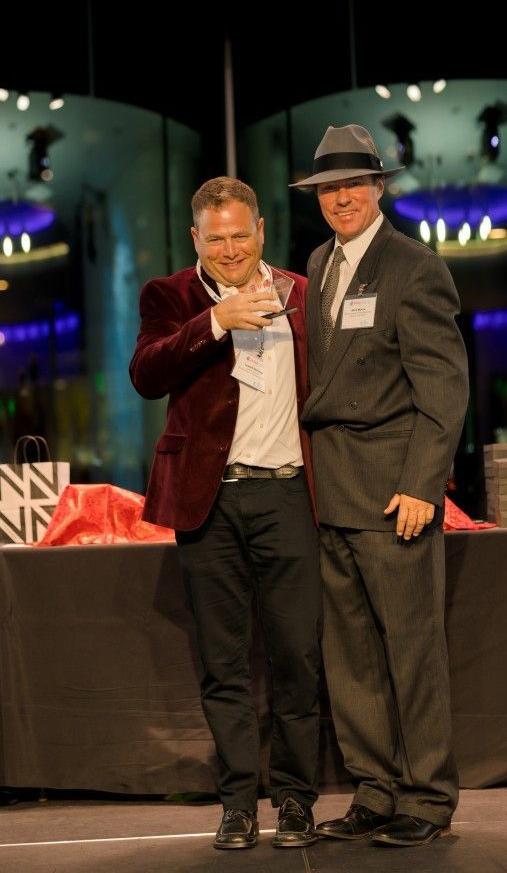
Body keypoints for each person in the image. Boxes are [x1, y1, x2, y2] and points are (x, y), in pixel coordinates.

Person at [129, 176, 321, 850]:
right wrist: (216, 322)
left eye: (241, 235)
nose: (231, 249)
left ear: (261, 230)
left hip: (290, 494)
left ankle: (295, 799)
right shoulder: (170, 296)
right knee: (223, 662)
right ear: (196, 238)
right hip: (208, 500)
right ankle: (238, 803)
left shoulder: (303, 292)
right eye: (217, 239)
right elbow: (147, 374)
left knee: (298, 656)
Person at [290, 124, 469, 848]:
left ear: (378, 189)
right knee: (352, 657)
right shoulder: (319, 263)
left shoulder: (414, 266)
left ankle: (427, 797)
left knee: (411, 651)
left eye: (354, 186)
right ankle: (375, 789)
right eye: (329, 189)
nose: (342, 199)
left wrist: (424, 483)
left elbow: (445, 389)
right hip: (331, 488)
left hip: (395, 493)